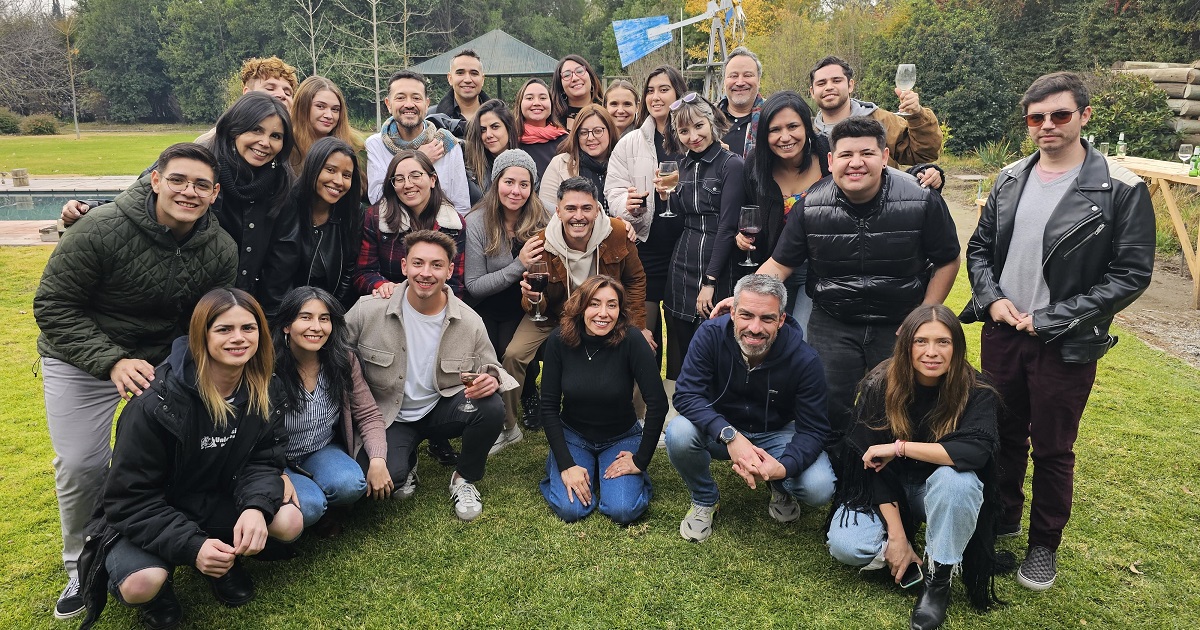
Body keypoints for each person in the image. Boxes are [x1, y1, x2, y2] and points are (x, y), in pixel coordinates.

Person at [960, 71, 1154, 592]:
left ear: (1084, 116)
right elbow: (979, 250)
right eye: (1036, 117)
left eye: (1059, 115)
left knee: (1051, 446)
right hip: (1003, 333)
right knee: (1002, 434)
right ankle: (1002, 517)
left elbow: (1131, 274)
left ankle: (1043, 546)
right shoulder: (1008, 178)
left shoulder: (1121, 187)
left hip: (1066, 342)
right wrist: (992, 299)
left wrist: (1052, 317)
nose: (1047, 125)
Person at [34, 143, 237, 621]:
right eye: (179, 180)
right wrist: (111, 361)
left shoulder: (220, 247)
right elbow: (53, 305)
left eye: (201, 185)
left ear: (215, 193)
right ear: (155, 180)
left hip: (161, 361)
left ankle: (160, 543)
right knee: (83, 463)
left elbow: (203, 320)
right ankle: (79, 564)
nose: (189, 191)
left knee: (177, 453)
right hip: (81, 358)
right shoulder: (100, 228)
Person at [76, 289, 304, 629]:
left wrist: (255, 507)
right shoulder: (154, 403)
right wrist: (193, 546)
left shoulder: (264, 388)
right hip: (150, 510)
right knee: (141, 582)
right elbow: (128, 500)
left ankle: (225, 562)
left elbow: (264, 458)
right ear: (202, 335)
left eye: (249, 328)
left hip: (212, 498)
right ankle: (160, 595)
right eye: (224, 329)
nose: (238, 338)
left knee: (288, 522)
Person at [742, 116, 961, 439]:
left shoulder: (921, 199)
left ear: (884, 157)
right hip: (834, 320)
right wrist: (741, 298)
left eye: (867, 154)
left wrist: (923, 316)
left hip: (898, 319)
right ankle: (834, 477)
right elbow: (779, 264)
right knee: (829, 405)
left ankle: (897, 474)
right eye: (845, 155)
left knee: (899, 403)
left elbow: (948, 260)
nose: (855, 163)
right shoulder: (812, 206)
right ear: (831, 161)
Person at [826, 304, 1001, 630]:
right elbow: (868, 465)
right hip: (887, 489)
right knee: (846, 546)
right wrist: (898, 537)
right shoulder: (881, 384)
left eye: (943, 342)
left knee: (958, 483)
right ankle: (905, 553)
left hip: (936, 490)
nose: (931, 352)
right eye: (921, 341)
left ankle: (938, 580)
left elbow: (974, 453)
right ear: (906, 345)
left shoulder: (976, 390)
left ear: (957, 347)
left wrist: (900, 448)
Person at [60, 93, 297, 311]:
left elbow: (282, 253)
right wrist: (90, 207)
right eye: (255, 130)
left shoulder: (281, 182)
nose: (265, 142)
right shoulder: (196, 163)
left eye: (275, 136)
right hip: (186, 296)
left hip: (244, 302)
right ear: (235, 129)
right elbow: (139, 201)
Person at [345, 230, 517, 521]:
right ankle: (405, 462)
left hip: (441, 409)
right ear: (404, 267)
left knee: (491, 407)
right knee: (380, 485)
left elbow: (494, 367)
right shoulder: (367, 311)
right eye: (418, 263)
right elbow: (333, 355)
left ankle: (463, 479)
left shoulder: (469, 321)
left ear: (450, 270)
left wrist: (494, 379)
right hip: (389, 416)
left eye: (436, 265)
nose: (426, 273)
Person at [665, 274, 835, 542]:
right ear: (732, 312)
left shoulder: (805, 359)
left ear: (781, 319)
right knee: (679, 432)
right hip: (722, 430)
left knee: (819, 488)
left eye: (767, 318)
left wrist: (784, 467)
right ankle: (705, 498)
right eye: (746, 315)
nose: (755, 328)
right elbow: (686, 395)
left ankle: (777, 483)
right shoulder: (709, 335)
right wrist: (730, 435)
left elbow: (814, 429)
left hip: (776, 434)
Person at [498, 177, 652, 453]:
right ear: (558, 211)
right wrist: (532, 298)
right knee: (513, 354)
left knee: (642, 347)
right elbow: (535, 302)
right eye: (570, 208)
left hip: (604, 312)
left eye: (585, 208)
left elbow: (636, 279)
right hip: (555, 314)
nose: (578, 216)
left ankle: (638, 419)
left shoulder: (616, 233)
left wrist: (639, 325)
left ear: (596, 210)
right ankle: (508, 426)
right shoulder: (542, 244)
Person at [539, 276, 668, 524]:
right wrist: (567, 464)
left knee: (623, 511)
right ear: (581, 307)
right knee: (572, 510)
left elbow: (658, 403)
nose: (603, 313)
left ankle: (615, 476)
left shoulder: (632, 340)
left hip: (621, 437)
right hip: (573, 435)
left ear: (620, 310)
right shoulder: (559, 340)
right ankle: (562, 466)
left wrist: (640, 460)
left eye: (612, 305)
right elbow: (548, 406)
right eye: (594, 304)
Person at [272, 286, 391, 530]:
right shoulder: (267, 367)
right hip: (276, 460)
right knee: (309, 506)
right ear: (286, 325)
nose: (316, 327)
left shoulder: (343, 360)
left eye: (324, 319)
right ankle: (314, 508)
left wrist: (378, 459)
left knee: (351, 484)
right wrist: (276, 474)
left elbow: (368, 414)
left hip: (321, 448)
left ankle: (326, 501)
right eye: (305, 317)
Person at [605, 65, 688, 382]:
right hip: (646, 245)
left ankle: (680, 406)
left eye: (664, 89)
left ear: (678, 94)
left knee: (681, 329)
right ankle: (647, 405)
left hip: (686, 246)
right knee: (644, 329)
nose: (656, 96)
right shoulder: (630, 143)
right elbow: (612, 188)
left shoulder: (694, 136)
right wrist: (626, 206)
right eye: (651, 90)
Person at [463, 149, 548, 427]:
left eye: (524, 184)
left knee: (514, 345)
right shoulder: (477, 221)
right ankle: (495, 400)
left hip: (527, 302)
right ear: (496, 182)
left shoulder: (543, 218)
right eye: (509, 182)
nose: (516, 191)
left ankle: (529, 391)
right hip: (488, 302)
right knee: (492, 347)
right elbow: (475, 286)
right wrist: (518, 264)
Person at [661, 92, 744, 366]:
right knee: (683, 345)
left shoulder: (732, 165)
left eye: (698, 126)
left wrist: (710, 282)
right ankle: (687, 404)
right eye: (684, 131)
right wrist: (665, 199)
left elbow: (728, 226)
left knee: (715, 346)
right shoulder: (681, 166)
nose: (693, 136)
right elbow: (676, 220)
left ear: (710, 123)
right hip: (682, 262)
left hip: (716, 264)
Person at [740, 91, 830, 331]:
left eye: (793, 126)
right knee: (770, 336)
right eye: (775, 130)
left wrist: (925, 172)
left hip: (818, 270)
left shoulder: (826, 155)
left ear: (807, 127)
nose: (785, 137)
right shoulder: (755, 166)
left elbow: (872, 168)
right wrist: (740, 236)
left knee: (799, 336)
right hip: (775, 263)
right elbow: (748, 211)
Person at [808, 55, 943, 189]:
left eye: (836, 81)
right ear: (812, 92)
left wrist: (917, 115)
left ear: (850, 85)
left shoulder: (882, 120)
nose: (829, 87)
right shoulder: (806, 133)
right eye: (821, 83)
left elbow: (924, 153)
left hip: (883, 207)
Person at [355, 149, 467, 299]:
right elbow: (363, 273)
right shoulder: (375, 217)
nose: (408, 185)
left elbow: (454, 283)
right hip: (388, 301)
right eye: (399, 179)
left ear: (432, 179)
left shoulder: (454, 225)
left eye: (415, 176)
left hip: (432, 304)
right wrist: (381, 285)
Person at [366, 69, 471, 212]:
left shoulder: (446, 144)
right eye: (400, 98)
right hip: (394, 230)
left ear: (427, 104)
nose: (409, 104)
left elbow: (461, 206)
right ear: (388, 104)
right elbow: (377, 199)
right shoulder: (376, 144)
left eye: (416, 98)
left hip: (440, 230)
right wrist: (419, 160)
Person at [287, 137, 365, 310]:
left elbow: (348, 271)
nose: (338, 181)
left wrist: (333, 314)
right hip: (287, 310)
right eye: (330, 170)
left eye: (346, 175)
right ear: (313, 168)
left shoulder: (353, 213)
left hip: (331, 310)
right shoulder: (287, 206)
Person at [192, 56, 299, 146]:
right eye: (270, 88)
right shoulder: (209, 143)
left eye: (288, 93)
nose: (281, 95)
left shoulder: (298, 147)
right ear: (247, 94)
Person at [539, 104, 618, 213]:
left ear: (610, 131)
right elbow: (546, 212)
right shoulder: (559, 164)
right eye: (583, 133)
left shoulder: (623, 163)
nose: (590, 138)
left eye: (598, 131)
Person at [289, 76, 363, 175]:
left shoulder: (357, 147)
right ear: (302, 107)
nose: (329, 115)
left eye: (335, 109)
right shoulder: (286, 145)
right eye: (320, 106)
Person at [515, 78, 569, 178]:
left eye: (543, 98)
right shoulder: (511, 139)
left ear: (551, 103)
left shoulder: (565, 141)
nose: (536, 103)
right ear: (520, 103)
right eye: (529, 98)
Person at [462, 99, 518, 193]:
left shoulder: (524, 163)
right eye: (483, 130)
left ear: (509, 129)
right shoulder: (469, 163)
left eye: (495, 127)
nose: (488, 135)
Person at [718, 47, 764, 159]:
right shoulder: (707, 119)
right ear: (724, 81)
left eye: (748, 75)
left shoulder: (772, 117)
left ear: (759, 80)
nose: (740, 82)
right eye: (733, 76)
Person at [432, 49, 491, 127]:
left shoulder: (500, 116)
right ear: (450, 78)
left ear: (482, 79)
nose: (467, 80)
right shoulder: (432, 118)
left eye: (474, 73)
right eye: (460, 73)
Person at [551, 54, 603, 131]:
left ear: (591, 77)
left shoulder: (609, 110)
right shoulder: (552, 119)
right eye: (567, 75)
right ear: (560, 85)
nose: (575, 78)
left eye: (579, 71)